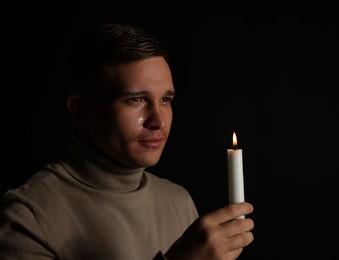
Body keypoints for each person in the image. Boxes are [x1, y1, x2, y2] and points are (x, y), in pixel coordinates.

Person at [0, 23, 254, 259]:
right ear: (81, 111)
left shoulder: (178, 200)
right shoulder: (29, 216)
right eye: (136, 99)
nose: (158, 120)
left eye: (165, 100)